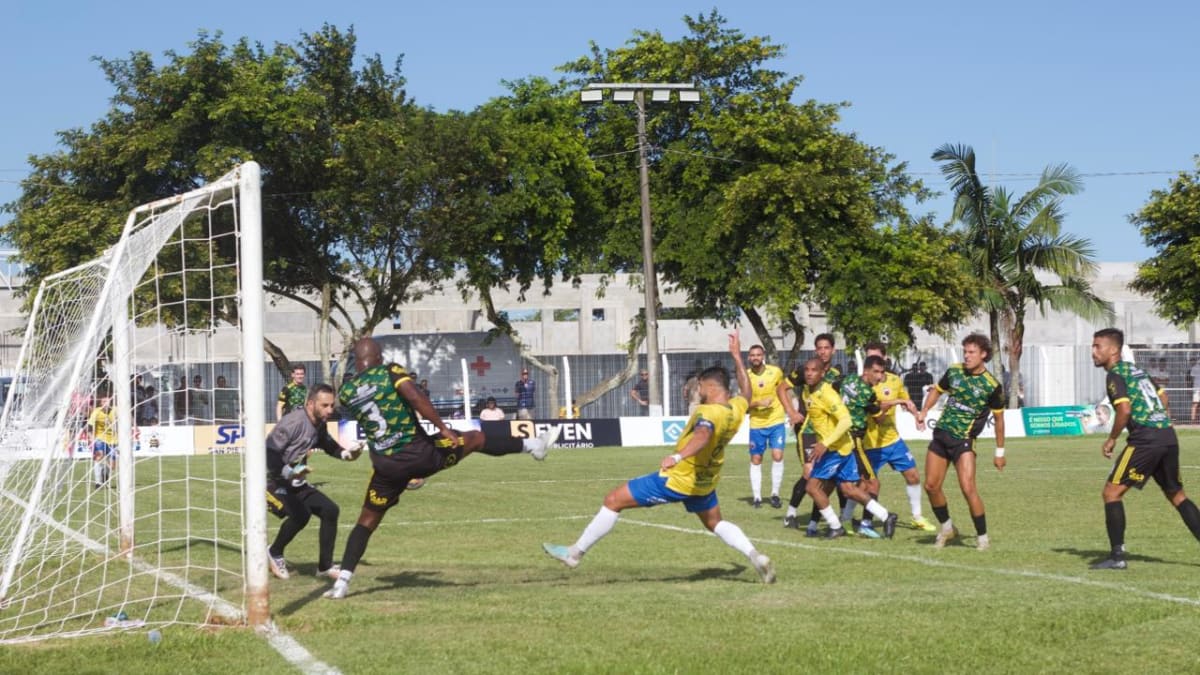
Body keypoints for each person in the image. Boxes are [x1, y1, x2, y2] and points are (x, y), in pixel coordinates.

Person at [322, 337, 561, 599]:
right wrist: (443, 427)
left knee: (366, 522)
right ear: (378, 357)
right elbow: (415, 397)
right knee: (475, 439)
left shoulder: (346, 392)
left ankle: (342, 583)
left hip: (386, 467)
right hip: (419, 455)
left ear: (357, 361)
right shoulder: (389, 371)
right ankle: (534, 446)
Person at [541, 333, 775, 583]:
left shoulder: (709, 411)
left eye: (699, 386)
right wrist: (737, 358)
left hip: (677, 479)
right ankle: (754, 555)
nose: (698, 390)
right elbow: (747, 393)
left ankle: (574, 553)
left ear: (709, 386)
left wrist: (677, 456)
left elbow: (703, 435)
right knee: (715, 523)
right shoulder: (736, 409)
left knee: (612, 500)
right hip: (706, 480)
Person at [1088, 328, 1200, 569]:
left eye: (1098, 347)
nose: (1093, 352)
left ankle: (1117, 557)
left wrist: (1112, 439)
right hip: (1167, 436)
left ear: (1113, 350)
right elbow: (1164, 397)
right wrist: (1161, 420)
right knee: (1177, 495)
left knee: (1111, 493)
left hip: (1145, 440)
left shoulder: (1115, 375)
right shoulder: (1138, 371)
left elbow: (1125, 410)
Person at [915, 333, 1006, 550]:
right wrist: (924, 410)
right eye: (965, 351)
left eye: (972, 352)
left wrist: (1000, 452)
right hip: (941, 435)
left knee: (967, 487)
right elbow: (937, 390)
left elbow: (999, 419)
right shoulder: (955, 371)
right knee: (930, 486)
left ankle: (982, 537)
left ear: (984, 355)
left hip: (964, 441)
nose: (967, 356)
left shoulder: (991, 385)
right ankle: (947, 527)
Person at [265, 384, 363, 581]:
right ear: (310, 404)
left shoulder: (319, 422)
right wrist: (288, 472)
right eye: (325, 405)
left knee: (330, 510)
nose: (330, 410)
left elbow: (327, 444)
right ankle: (274, 552)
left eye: (331, 405)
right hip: (272, 482)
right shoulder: (292, 423)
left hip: (294, 482)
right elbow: (268, 453)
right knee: (301, 515)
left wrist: (346, 454)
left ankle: (325, 567)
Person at [800, 357, 899, 539]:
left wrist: (825, 443)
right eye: (807, 369)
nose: (809, 373)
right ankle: (886, 515)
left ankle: (836, 526)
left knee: (812, 488)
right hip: (843, 446)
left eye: (814, 370)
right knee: (848, 489)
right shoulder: (809, 391)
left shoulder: (827, 394)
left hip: (835, 449)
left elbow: (846, 420)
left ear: (823, 374)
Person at [861, 344, 934, 532]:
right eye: (869, 358)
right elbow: (878, 405)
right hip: (869, 442)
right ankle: (858, 520)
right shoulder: (863, 383)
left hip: (892, 439)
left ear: (885, 359)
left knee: (913, 475)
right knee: (867, 485)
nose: (872, 363)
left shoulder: (894, 380)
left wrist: (916, 415)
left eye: (876, 358)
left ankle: (917, 517)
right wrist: (897, 401)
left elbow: (906, 400)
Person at [778, 333, 844, 536]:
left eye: (826, 348)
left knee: (827, 476)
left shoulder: (836, 374)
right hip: (807, 430)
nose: (823, 351)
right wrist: (791, 411)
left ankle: (827, 521)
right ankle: (791, 514)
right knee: (810, 474)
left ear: (833, 350)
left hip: (827, 432)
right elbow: (781, 388)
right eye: (819, 348)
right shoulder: (805, 370)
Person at [744, 344, 786, 509]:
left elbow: (783, 390)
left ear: (763, 356)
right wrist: (759, 403)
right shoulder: (745, 376)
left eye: (758, 355)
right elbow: (744, 402)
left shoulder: (775, 372)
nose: (755, 358)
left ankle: (775, 494)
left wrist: (789, 410)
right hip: (757, 423)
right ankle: (757, 497)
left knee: (777, 455)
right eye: (752, 355)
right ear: (749, 357)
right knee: (756, 458)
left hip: (776, 420)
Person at [88, 394, 117, 489]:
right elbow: (90, 426)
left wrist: (135, 427)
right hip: (99, 438)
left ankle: (105, 474)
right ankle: (98, 482)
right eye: (104, 401)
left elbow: (128, 415)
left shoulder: (115, 411)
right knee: (99, 456)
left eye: (108, 401)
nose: (106, 403)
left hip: (113, 440)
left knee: (112, 465)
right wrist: (91, 438)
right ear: (101, 403)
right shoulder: (97, 412)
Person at [1189, 355, 1200, 423]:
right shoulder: (1195, 368)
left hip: (1196, 388)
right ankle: (1193, 420)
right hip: (1197, 388)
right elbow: (1192, 379)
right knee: (1195, 404)